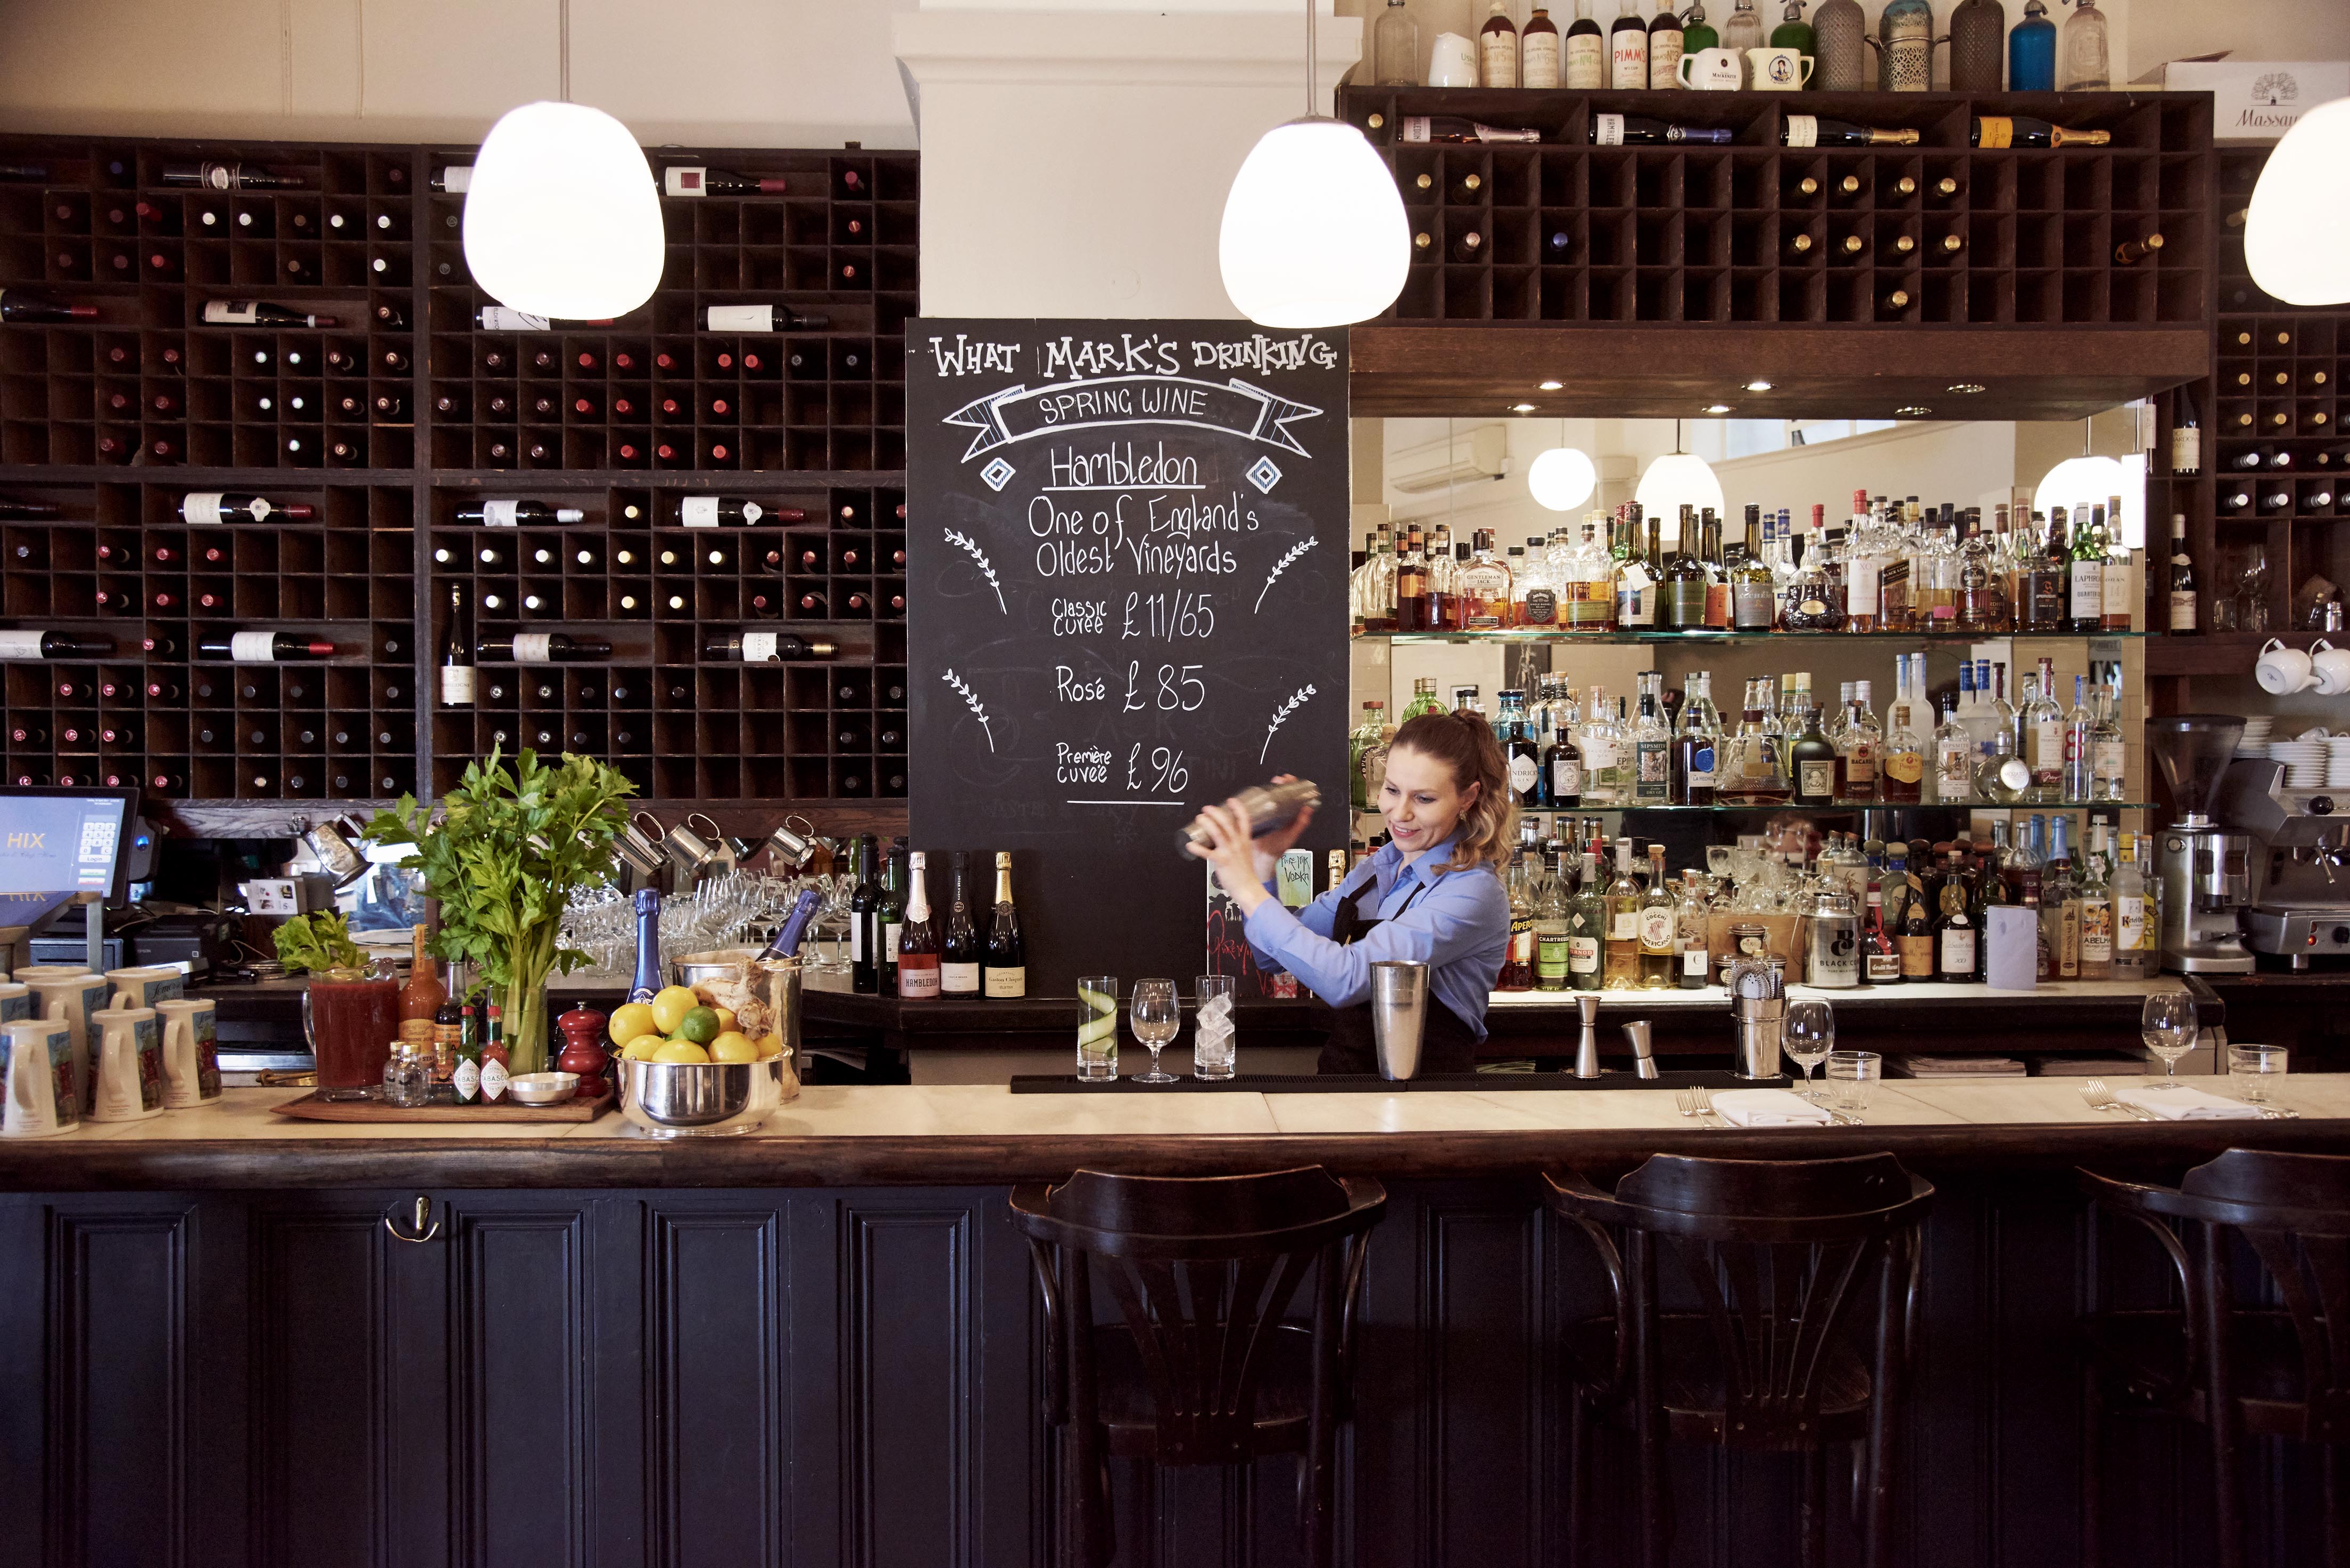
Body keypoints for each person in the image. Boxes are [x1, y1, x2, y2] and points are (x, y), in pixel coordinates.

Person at [1187, 710, 1515, 1074]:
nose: (1399, 813)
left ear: (1468, 797)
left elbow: (1348, 979)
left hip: (1423, 1107)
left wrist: (1246, 888)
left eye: (1423, 799)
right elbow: (1271, 958)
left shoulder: (1471, 891)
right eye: (1392, 790)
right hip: (1346, 1094)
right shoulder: (1378, 869)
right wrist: (1264, 864)